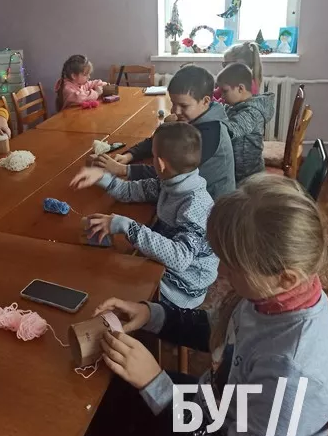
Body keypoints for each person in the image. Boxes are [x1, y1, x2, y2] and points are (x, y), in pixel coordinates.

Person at [70, 175, 328, 436]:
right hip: (213, 408)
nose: (221, 272)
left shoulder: (293, 376)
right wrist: (152, 314)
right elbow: (223, 330)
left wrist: (155, 384)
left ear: (286, 277)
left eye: (232, 266)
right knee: (102, 403)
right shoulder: (274, 296)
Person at [70, 122, 217, 308]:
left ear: (160, 164)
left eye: (153, 156)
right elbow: (130, 190)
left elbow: (179, 259)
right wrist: (101, 177)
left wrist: (124, 225)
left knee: (103, 282)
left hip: (182, 287)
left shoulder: (194, 204)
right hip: (168, 265)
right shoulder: (171, 182)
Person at [95, 65, 235, 200]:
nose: (175, 111)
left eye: (183, 105)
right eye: (173, 103)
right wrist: (130, 155)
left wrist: (124, 170)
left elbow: (169, 171)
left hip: (211, 204)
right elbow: (162, 139)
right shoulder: (196, 116)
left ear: (205, 101)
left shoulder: (210, 133)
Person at [216, 62, 274, 184]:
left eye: (225, 91)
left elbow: (232, 130)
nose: (222, 95)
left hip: (248, 174)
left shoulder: (252, 112)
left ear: (240, 88)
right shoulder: (235, 106)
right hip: (238, 170)